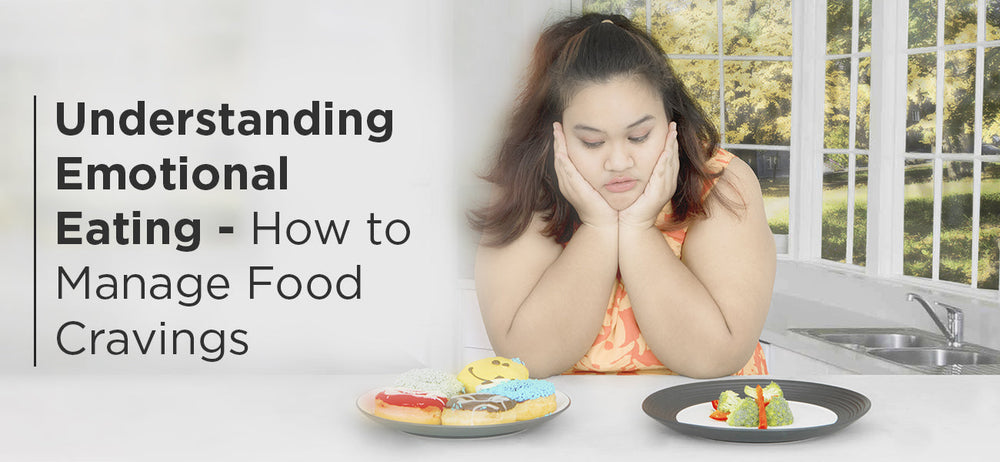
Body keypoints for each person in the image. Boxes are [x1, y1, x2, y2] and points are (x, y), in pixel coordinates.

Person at [470, 13, 775, 378]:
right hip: (569, 431)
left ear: (670, 120)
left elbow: (715, 357)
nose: (618, 162)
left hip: (707, 425)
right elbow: (527, 359)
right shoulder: (528, 185)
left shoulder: (722, 183)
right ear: (557, 136)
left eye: (639, 136)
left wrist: (638, 229)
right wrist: (598, 228)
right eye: (592, 142)